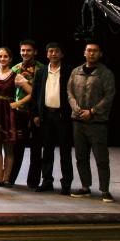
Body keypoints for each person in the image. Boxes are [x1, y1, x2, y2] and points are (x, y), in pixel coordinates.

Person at [68, 42, 116, 203]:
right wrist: (76, 108)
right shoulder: (76, 72)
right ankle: (85, 187)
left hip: (97, 122)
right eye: (89, 50)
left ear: (100, 54)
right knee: (81, 156)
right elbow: (69, 91)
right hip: (78, 120)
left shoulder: (105, 73)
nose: (91, 53)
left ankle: (105, 190)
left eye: (95, 51)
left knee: (101, 158)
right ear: (84, 53)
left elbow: (109, 96)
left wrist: (92, 111)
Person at [32, 42, 73, 195]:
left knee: (65, 151)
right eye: (51, 51)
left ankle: (66, 183)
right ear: (47, 54)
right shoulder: (41, 72)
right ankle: (47, 181)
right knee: (47, 150)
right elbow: (35, 95)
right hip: (46, 115)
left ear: (62, 54)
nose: (53, 54)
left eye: (56, 51)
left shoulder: (68, 71)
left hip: (62, 116)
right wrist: (36, 114)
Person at [8, 39, 44, 188]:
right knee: (17, 147)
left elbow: (39, 93)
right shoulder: (15, 68)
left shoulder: (42, 69)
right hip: (19, 113)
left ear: (35, 52)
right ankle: (10, 178)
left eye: (28, 50)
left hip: (36, 113)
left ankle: (33, 181)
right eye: (23, 50)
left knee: (36, 148)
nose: (25, 53)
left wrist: (24, 83)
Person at [0, 47, 24, 187]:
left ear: (10, 59)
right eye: (0, 56)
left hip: (8, 114)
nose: (2, 59)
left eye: (5, 56)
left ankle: (7, 179)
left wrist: (18, 103)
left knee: (8, 148)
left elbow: (32, 92)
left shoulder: (16, 76)